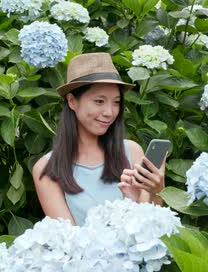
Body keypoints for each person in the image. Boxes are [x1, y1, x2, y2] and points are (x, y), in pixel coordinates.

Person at [32, 53, 165, 225]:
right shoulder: (47, 168)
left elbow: (151, 228)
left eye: (116, 102)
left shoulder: (132, 151)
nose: (110, 112)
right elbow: (69, 243)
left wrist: (156, 191)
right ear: (72, 101)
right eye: (99, 101)